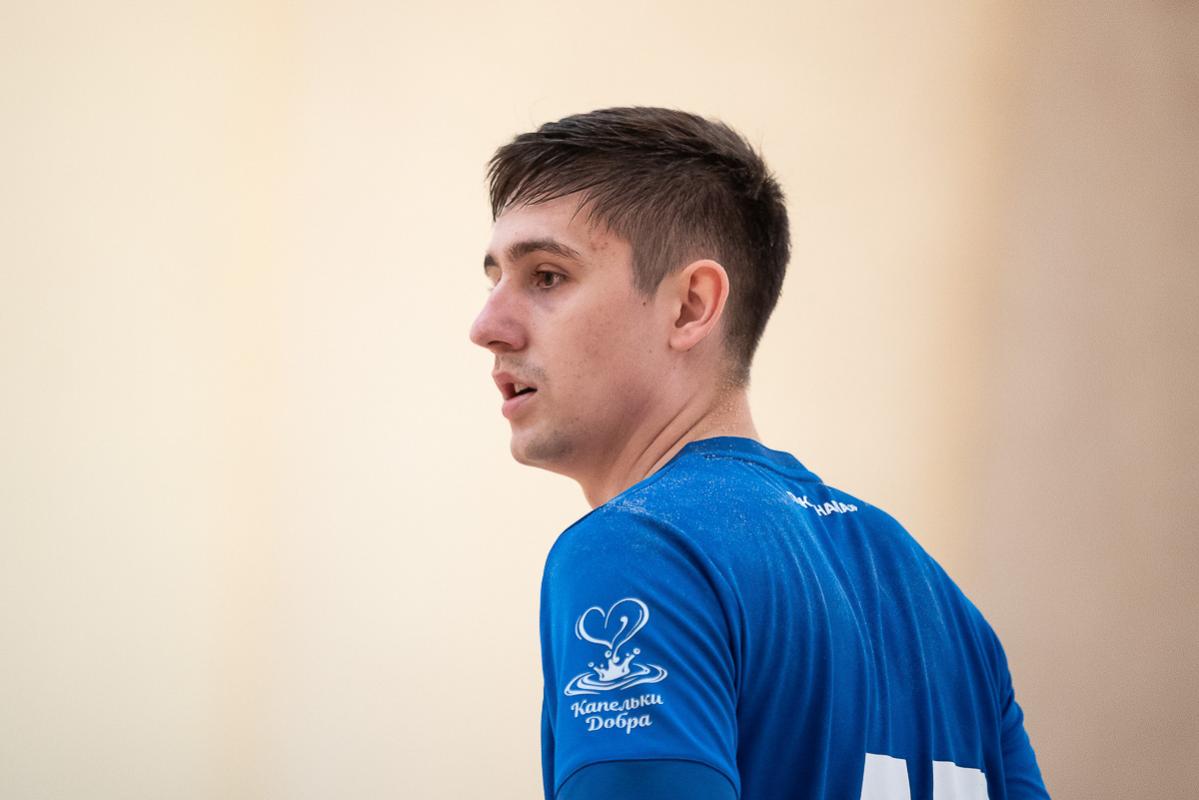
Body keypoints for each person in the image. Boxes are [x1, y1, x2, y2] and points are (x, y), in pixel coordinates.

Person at [469, 107, 1050, 800]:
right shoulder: (943, 606)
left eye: (546, 276)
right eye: (493, 280)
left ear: (691, 306)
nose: (487, 326)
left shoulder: (637, 550)